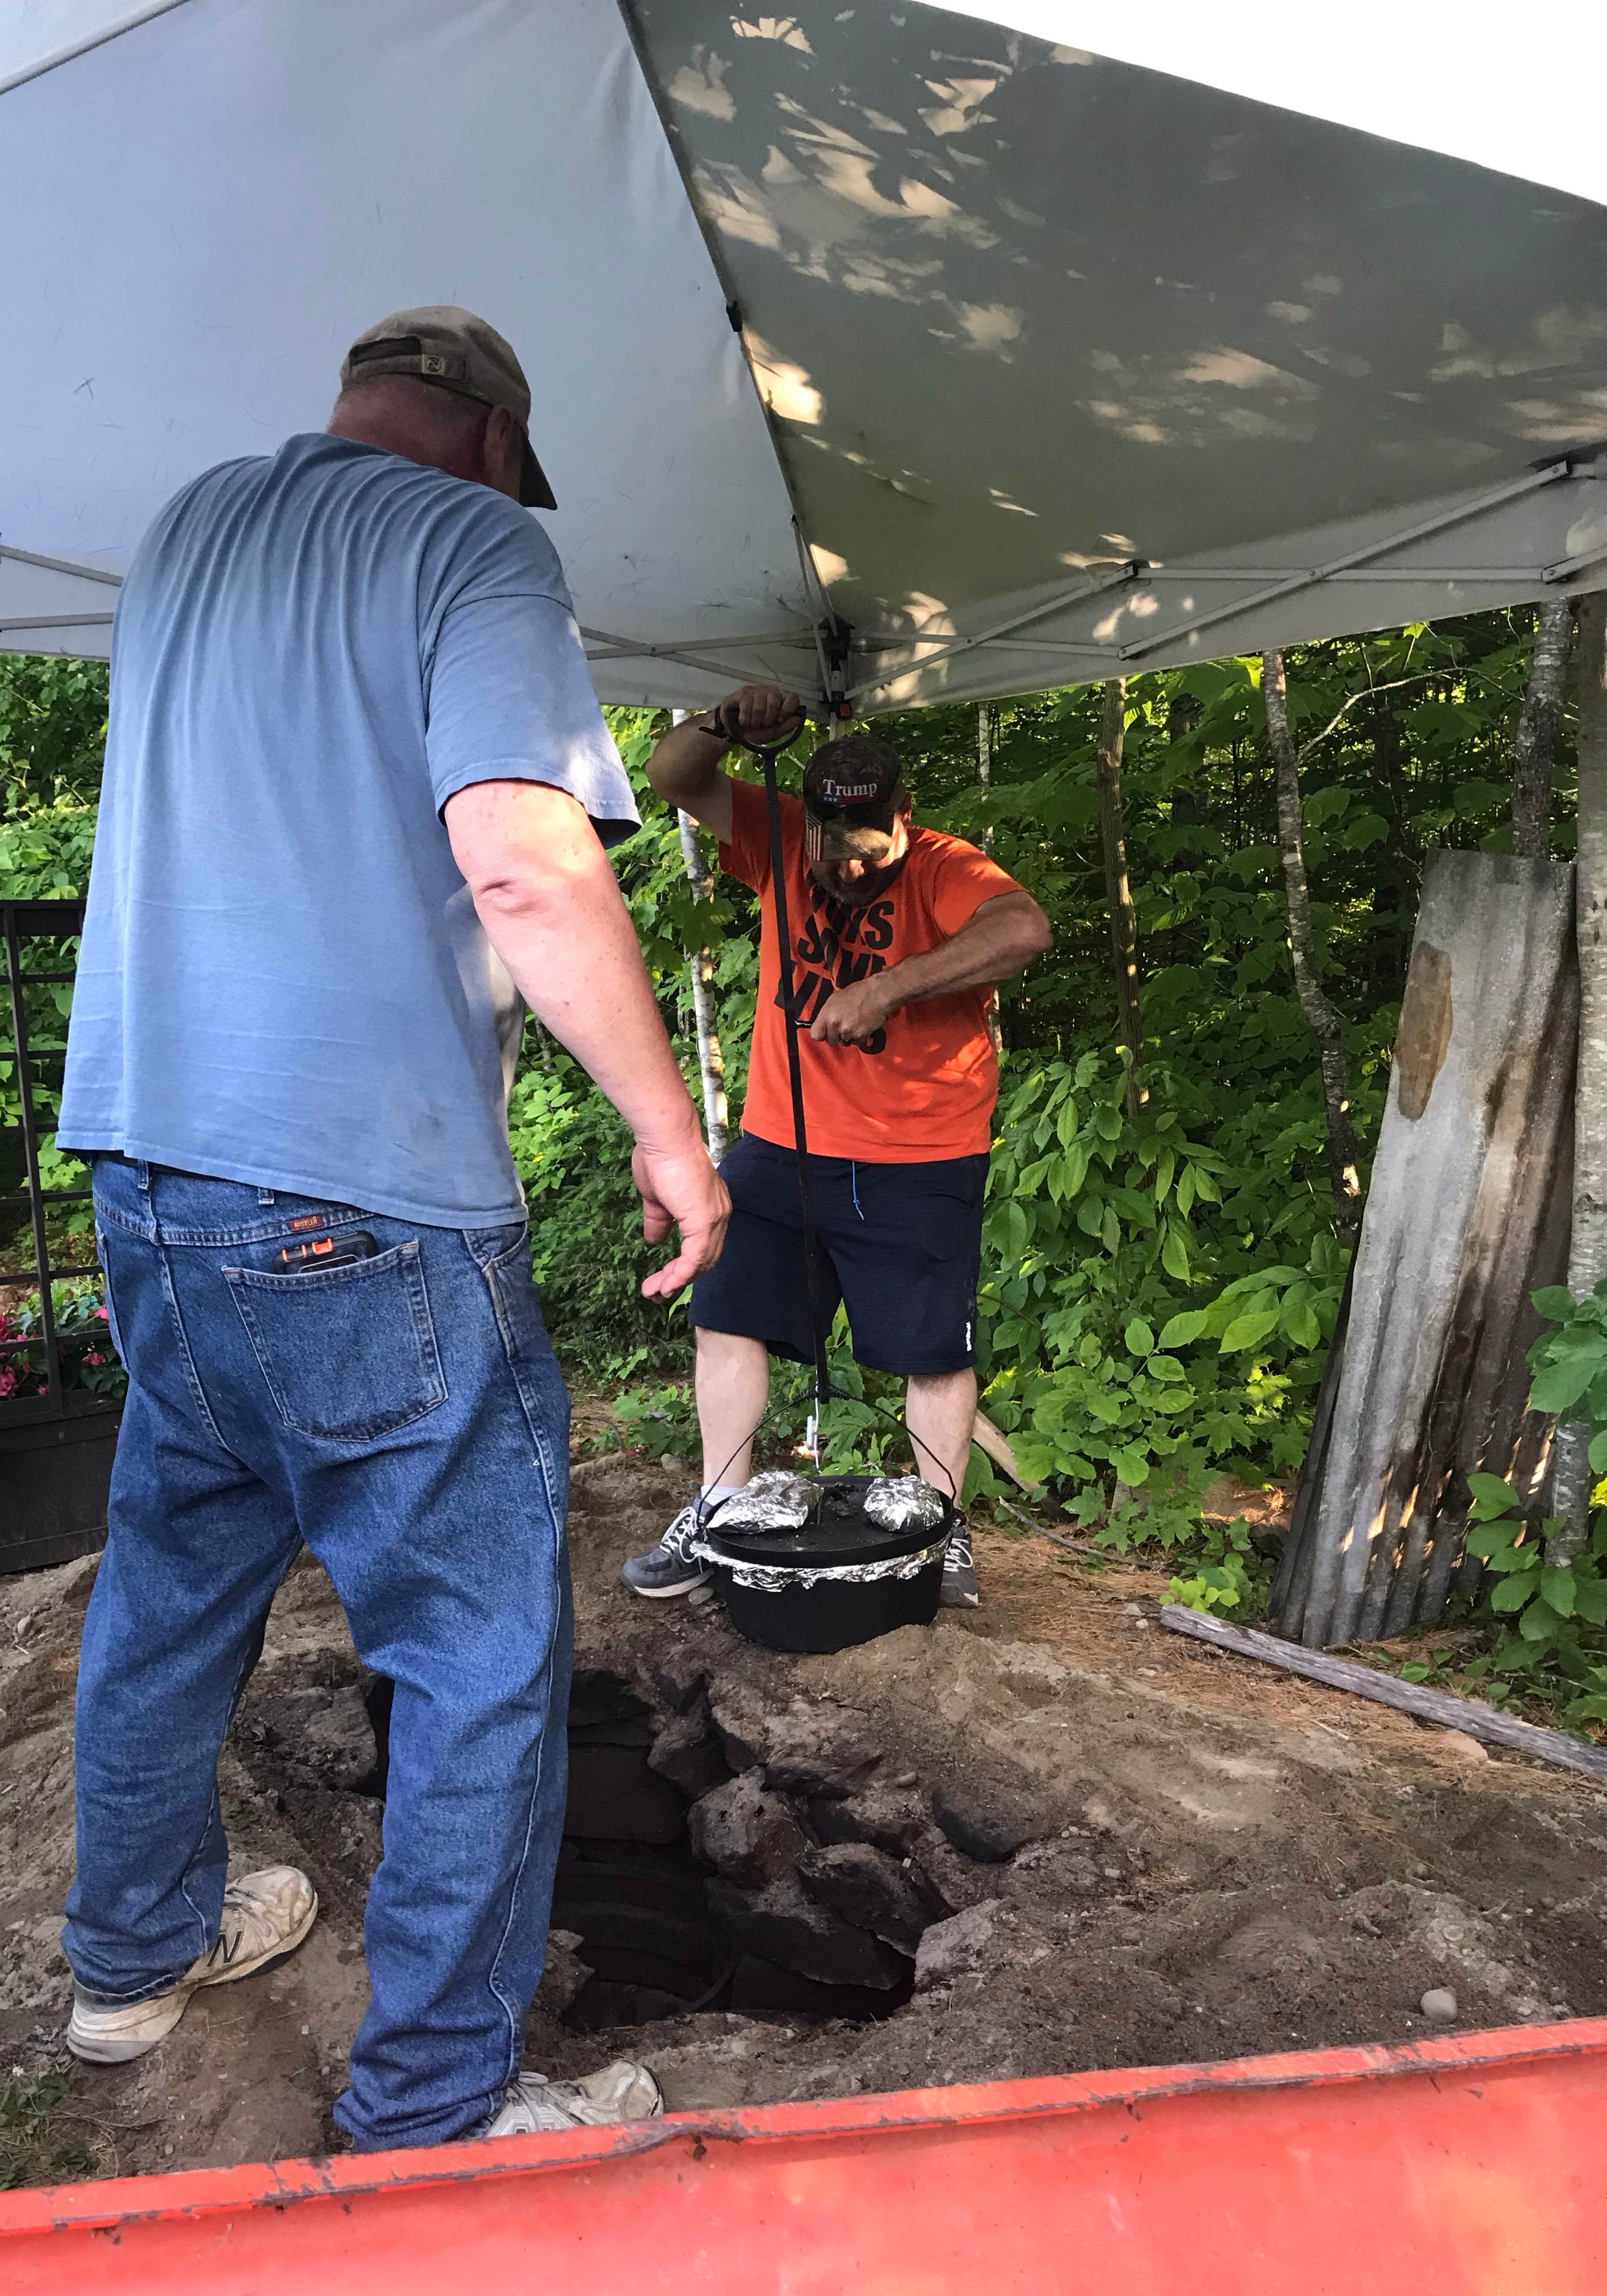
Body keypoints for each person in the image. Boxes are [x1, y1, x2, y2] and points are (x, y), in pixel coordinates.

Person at [56, 307, 729, 2149]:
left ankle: (129, 1964)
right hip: (356, 1189)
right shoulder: (477, 540)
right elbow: (519, 851)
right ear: (497, 438)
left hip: (148, 1160)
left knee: (174, 1580)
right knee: (475, 1651)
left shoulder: (193, 524)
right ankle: (435, 2114)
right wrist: (672, 1136)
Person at [621, 684, 1051, 1608]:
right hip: (781, 1145)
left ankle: (937, 1539)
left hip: (923, 1154)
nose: (848, 874)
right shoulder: (777, 835)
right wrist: (724, 724)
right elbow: (671, 775)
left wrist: (893, 987)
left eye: (869, 855)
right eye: (831, 851)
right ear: (806, 819)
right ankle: (717, 1513)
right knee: (725, 1315)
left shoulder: (946, 868)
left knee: (933, 1350)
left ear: (906, 819)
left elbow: (1025, 929)